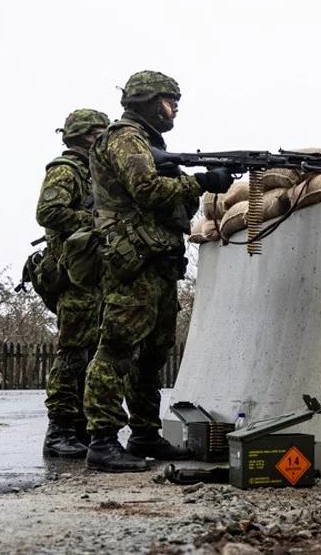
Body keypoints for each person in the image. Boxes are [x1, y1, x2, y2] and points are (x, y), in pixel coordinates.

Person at [83, 70, 233, 472]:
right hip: (134, 263)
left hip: (157, 261)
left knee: (152, 354)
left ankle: (145, 433)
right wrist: (200, 183)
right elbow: (145, 190)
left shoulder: (148, 143)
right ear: (149, 101)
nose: (175, 108)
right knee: (117, 349)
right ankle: (101, 439)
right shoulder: (125, 137)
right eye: (170, 100)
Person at [37, 108, 109, 458]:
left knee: (92, 350)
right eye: (101, 133)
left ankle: (78, 426)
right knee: (74, 351)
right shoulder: (66, 169)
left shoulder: (96, 173)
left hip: (92, 274)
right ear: (86, 136)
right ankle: (60, 429)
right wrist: (94, 218)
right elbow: (48, 212)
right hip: (72, 275)